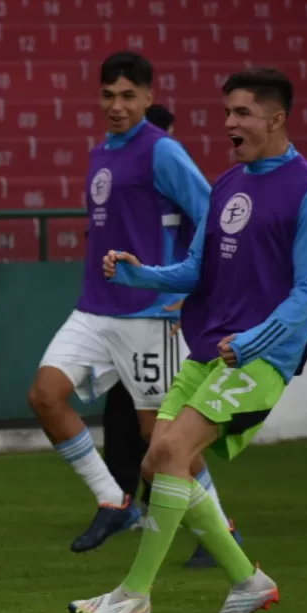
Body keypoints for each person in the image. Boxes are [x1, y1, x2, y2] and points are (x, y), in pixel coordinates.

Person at [71, 67, 307, 613]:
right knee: (161, 458)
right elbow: (197, 268)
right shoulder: (227, 185)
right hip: (210, 351)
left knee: (170, 454)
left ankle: (134, 593)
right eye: (226, 114)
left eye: (241, 113)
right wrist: (139, 275)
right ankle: (247, 580)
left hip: (263, 357)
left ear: (276, 117)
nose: (230, 124)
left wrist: (253, 340)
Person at [27, 53, 212, 553]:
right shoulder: (101, 152)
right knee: (45, 396)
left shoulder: (163, 151)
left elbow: (209, 215)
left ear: (150, 98)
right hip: (94, 308)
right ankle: (115, 501)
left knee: (161, 435)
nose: (117, 105)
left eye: (129, 95)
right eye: (108, 95)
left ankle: (222, 529)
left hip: (149, 313)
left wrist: (184, 289)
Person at [101, 104, 240, 568]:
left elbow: (203, 258)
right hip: (135, 310)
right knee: (146, 439)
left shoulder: (180, 183)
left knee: (160, 440)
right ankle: (136, 509)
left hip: (165, 317)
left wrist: (191, 296)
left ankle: (216, 529)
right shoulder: (122, 170)